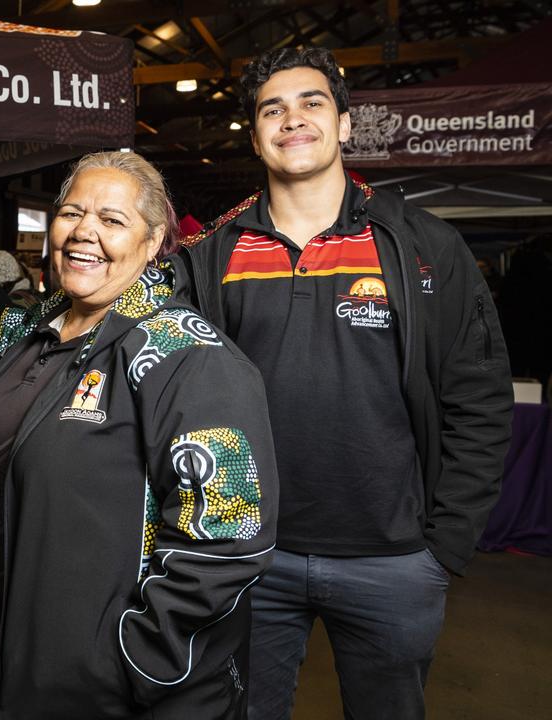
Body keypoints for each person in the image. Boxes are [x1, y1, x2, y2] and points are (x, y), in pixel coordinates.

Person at [176, 47, 513, 720]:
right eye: (273, 109)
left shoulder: (422, 246)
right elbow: (179, 392)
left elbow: (478, 397)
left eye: (312, 103)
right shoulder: (215, 255)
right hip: (253, 559)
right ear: (253, 133)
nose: (291, 119)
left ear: (346, 124)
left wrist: (443, 545)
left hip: (393, 560)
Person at [0, 151, 278, 719]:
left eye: (112, 220)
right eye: (71, 213)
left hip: (106, 688)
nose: (83, 232)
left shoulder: (189, 356)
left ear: (153, 239)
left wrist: (130, 661)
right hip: (8, 658)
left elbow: (230, 541)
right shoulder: (23, 329)